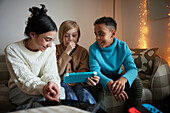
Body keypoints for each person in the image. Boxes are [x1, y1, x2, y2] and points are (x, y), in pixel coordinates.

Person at [4, 4, 64, 110]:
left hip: (44, 85)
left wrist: (52, 84)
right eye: (47, 39)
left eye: (52, 40)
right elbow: (25, 80)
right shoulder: (12, 50)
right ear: (32, 34)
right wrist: (44, 88)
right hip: (19, 89)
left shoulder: (51, 48)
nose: (50, 44)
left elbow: (51, 73)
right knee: (41, 98)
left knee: (61, 93)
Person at [89, 16, 143, 111]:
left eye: (101, 34)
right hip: (102, 77)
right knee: (95, 85)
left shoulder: (123, 47)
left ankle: (131, 110)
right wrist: (109, 84)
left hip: (117, 76)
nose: (97, 38)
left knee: (137, 83)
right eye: (96, 34)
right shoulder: (93, 49)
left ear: (112, 34)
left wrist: (123, 79)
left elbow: (132, 69)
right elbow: (95, 72)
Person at [56, 20, 100, 104]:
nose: (70, 39)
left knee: (85, 95)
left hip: (78, 83)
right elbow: (58, 71)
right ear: (61, 36)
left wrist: (86, 79)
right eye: (66, 36)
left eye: (74, 36)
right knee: (70, 96)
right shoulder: (56, 50)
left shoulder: (83, 52)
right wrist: (67, 52)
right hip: (62, 82)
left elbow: (84, 71)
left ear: (78, 36)